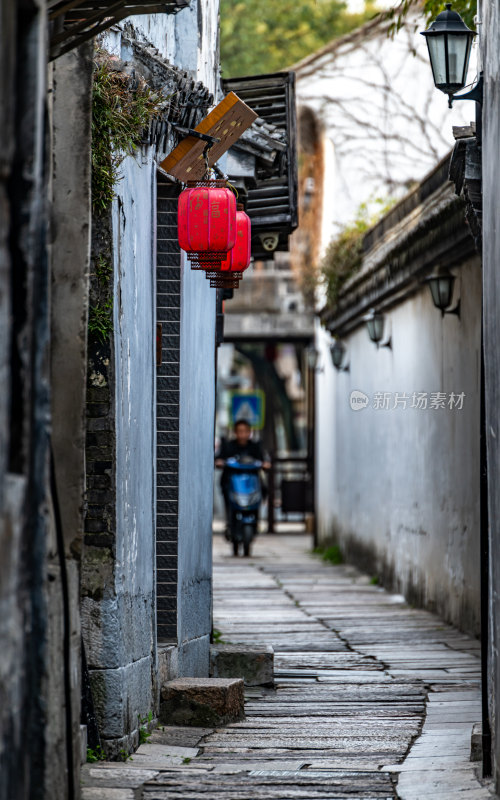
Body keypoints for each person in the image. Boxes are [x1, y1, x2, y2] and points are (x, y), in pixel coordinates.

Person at [215, 419, 271, 538]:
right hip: (232, 483)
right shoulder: (229, 446)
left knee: (261, 491)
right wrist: (220, 462)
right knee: (227, 497)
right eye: (240, 431)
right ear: (235, 432)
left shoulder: (255, 446)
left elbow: (263, 460)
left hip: (251, 483)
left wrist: (265, 464)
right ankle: (230, 523)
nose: (243, 434)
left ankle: (256, 521)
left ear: (249, 432)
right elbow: (219, 459)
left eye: (245, 431)